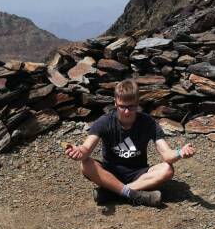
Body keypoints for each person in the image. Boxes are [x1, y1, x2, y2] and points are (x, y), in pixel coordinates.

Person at [65, 78, 195, 206]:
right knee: (85, 165)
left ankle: (114, 192)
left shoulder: (148, 122)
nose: (126, 112)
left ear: (138, 103)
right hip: (110, 173)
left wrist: (180, 152)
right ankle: (133, 194)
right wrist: (78, 152)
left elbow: (167, 154)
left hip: (138, 174)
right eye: (122, 107)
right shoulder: (104, 122)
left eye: (131, 107)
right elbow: (86, 149)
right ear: (115, 103)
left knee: (167, 169)